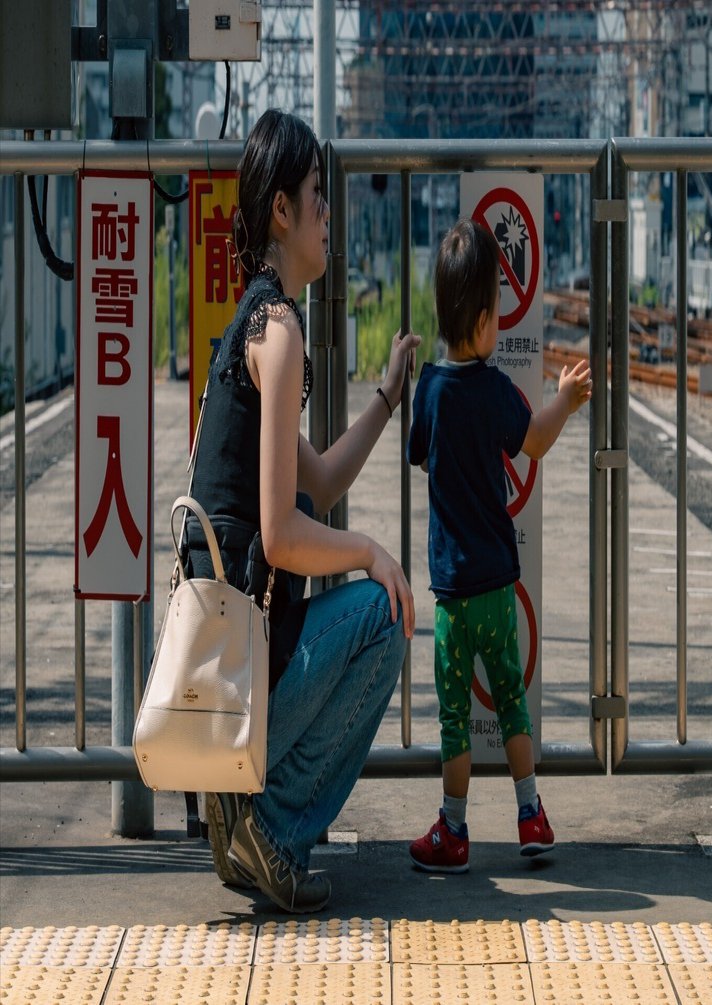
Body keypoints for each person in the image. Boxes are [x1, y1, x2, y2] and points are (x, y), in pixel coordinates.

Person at [188, 109, 419, 913]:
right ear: (280, 212)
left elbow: (312, 481)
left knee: (370, 591)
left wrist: (387, 396)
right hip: (246, 674)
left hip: (224, 663)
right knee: (384, 615)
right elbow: (284, 536)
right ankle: (269, 823)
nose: (328, 214)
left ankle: (247, 811)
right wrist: (370, 553)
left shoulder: (252, 321)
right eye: (317, 196)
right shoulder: (279, 332)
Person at [406, 218, 592, 873]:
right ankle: (530, 811)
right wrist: (563, 400)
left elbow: (420, 456)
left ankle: (453, 829)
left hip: (452, 591)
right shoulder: (496, 391)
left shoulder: (430, 390)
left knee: (453, 716)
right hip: (496, 583)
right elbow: (532, 441)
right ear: (486, 322)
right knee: (511, 698)